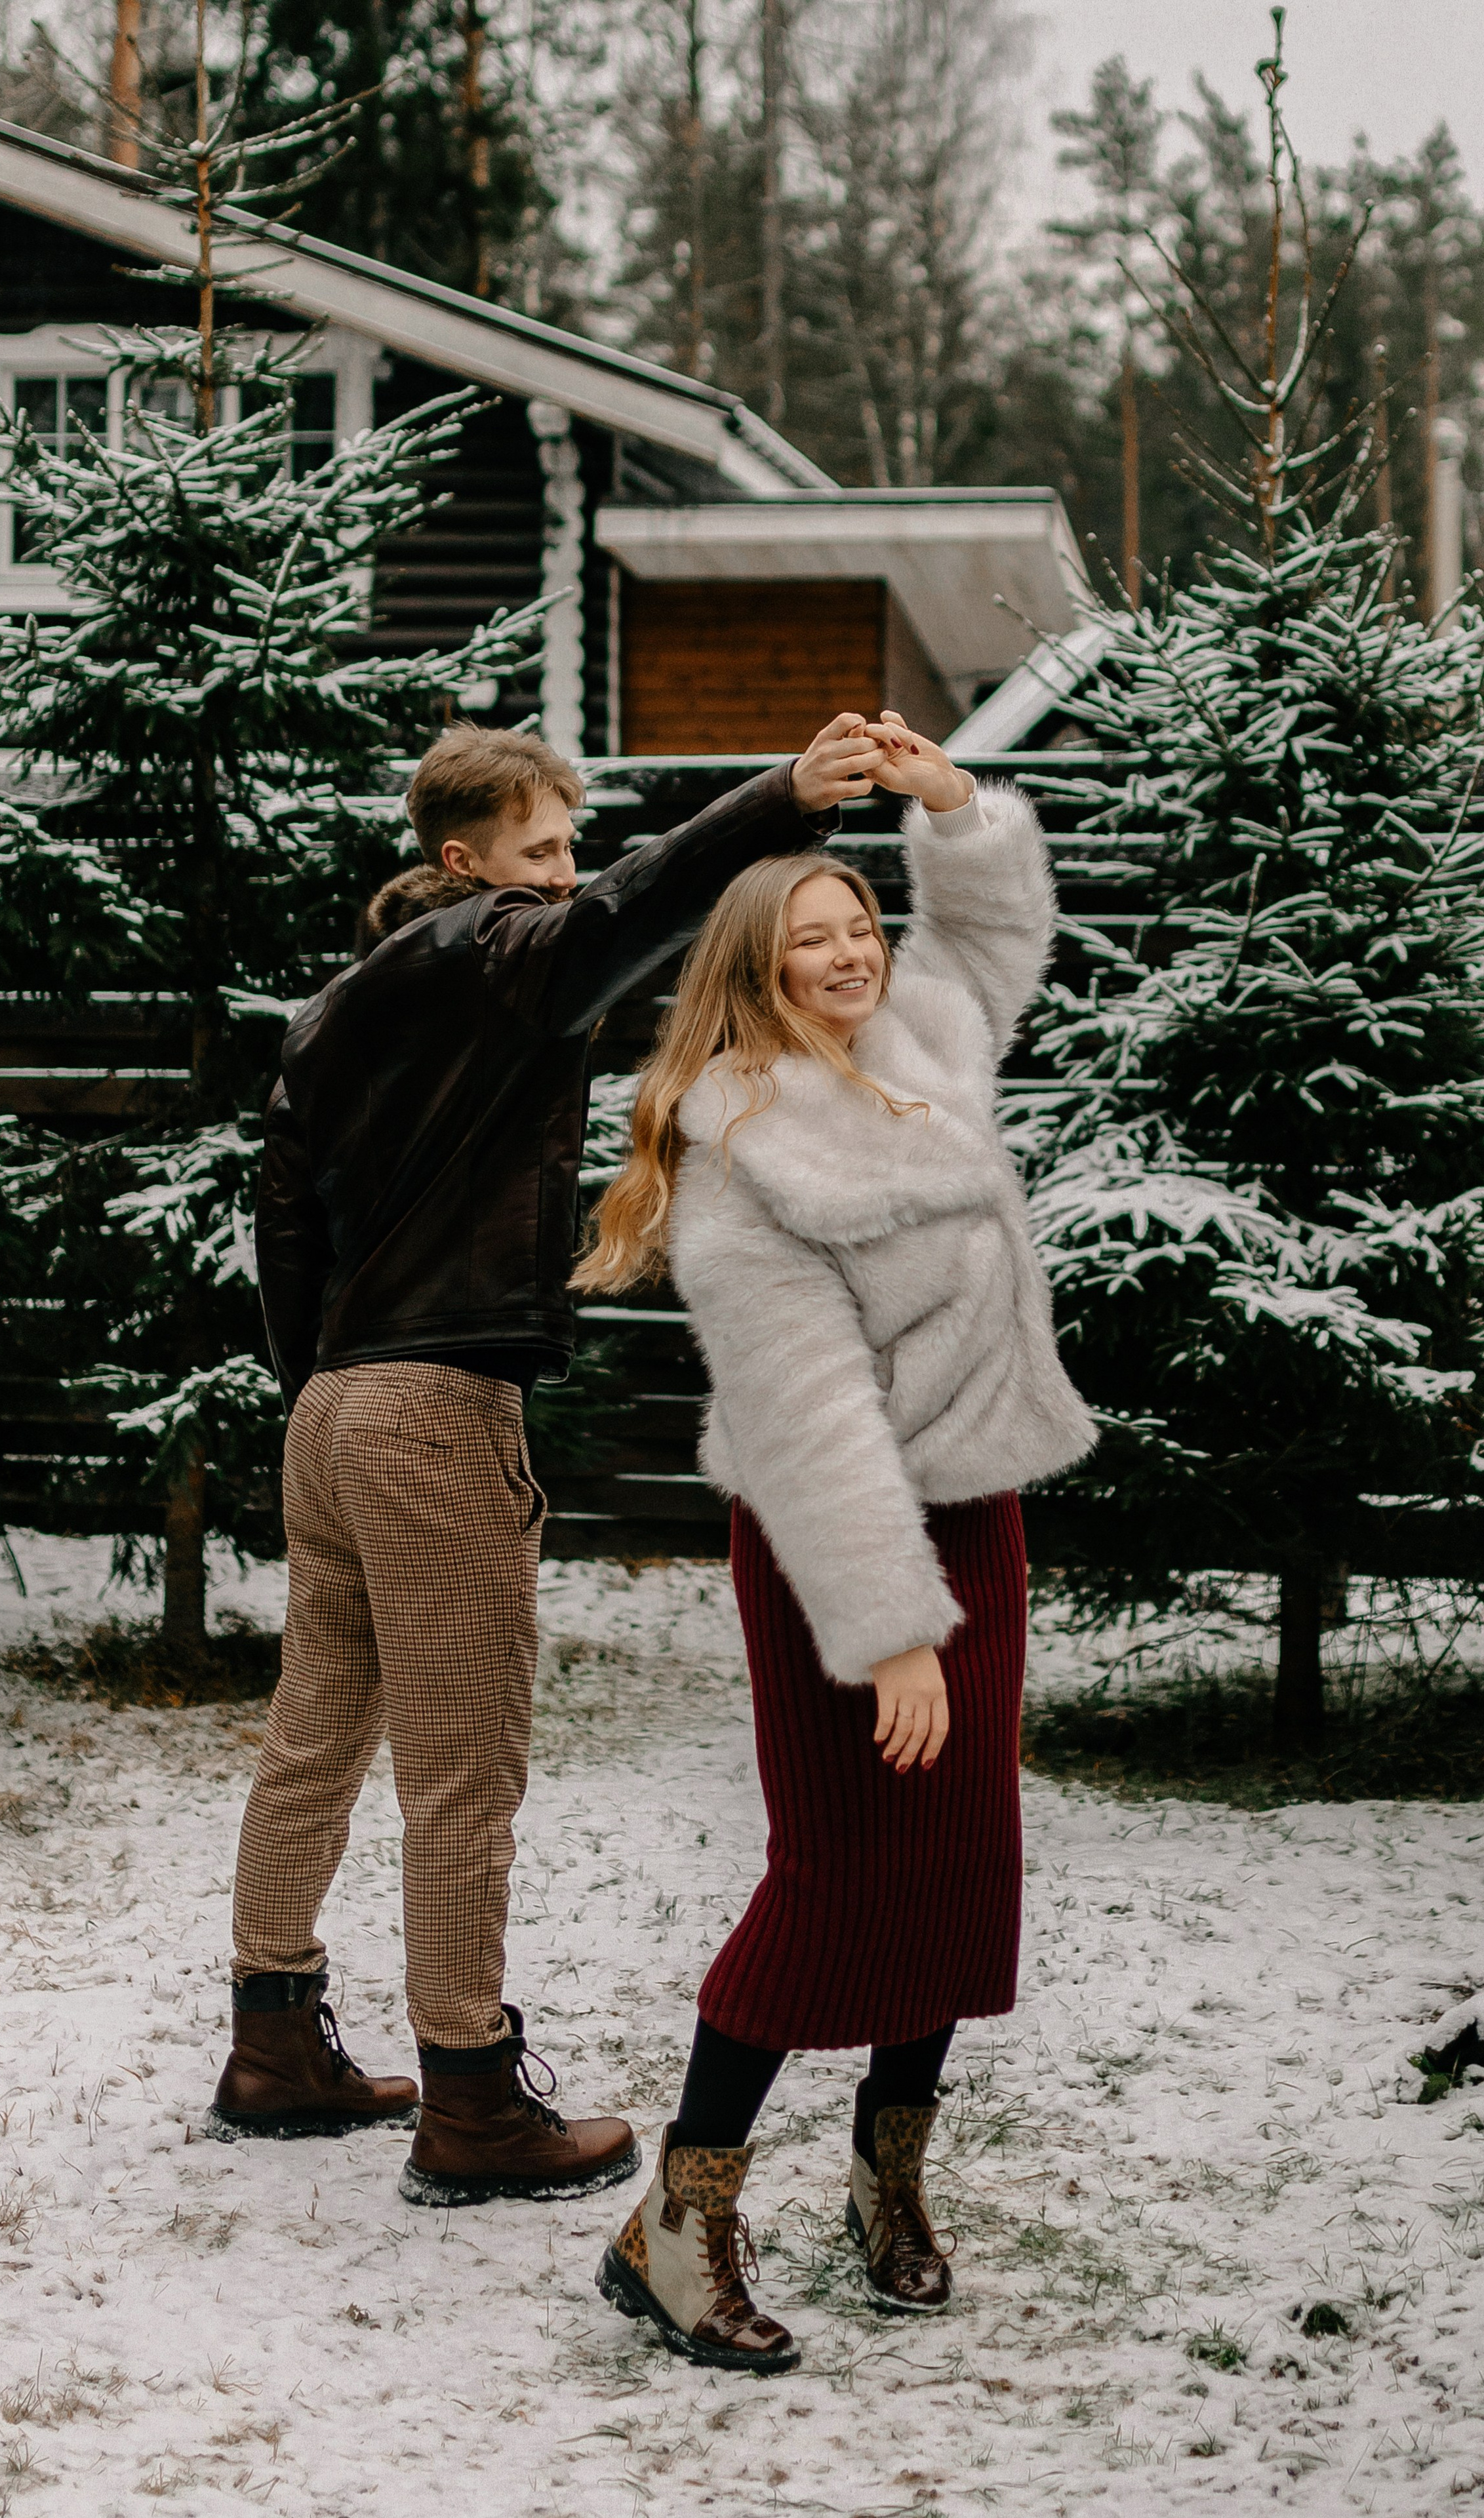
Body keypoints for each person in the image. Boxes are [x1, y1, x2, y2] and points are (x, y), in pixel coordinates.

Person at [212, 711, 889, 2209]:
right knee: (465, 1773)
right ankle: (469, 2102)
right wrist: (782, 799)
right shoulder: (495, 951)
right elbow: (617, 917)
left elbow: (282, 1228)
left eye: (563, 845)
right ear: (465, 865)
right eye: (537, 850)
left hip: (331, 1411)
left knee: (317, 1729)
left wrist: (321, 1386)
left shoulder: (335, 1012)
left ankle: (272, 2045)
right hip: (436, 1411)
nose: (559, 876)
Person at [576, 717, 1096, 2367]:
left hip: (977, 1515)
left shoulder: (927, 1047)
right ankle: (675, 2219)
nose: (846, 958)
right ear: (754, 969)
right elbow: (799, 1405)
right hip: (839, 1551)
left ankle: (888, 2181)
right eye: (809, 943)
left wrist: (948, 807)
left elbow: (992, 930)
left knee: (955, 1872)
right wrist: (887, 1627)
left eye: (856, 930)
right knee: (836, 1879)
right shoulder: (745, 1141)